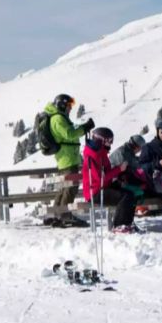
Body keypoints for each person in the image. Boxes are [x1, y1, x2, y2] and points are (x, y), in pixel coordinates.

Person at [44, 94, 95, 226]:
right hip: (68, 158)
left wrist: (84, 127)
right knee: (70, 187)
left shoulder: (58, 118)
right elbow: (69, 133)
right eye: (69, 106)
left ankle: (55, 214)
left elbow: (70, 131)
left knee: (64, 188)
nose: (70, 109)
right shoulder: (58, 118)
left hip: (66, 157)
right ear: (62, 105)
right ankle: (64, 215)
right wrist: (85, 128)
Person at [82, 127, 136, 231]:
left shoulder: (101, 152)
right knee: (125, 196)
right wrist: (119, 169)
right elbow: (99, 178)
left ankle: (128, 223)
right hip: (95, 192)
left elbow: (105, 173)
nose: (110, 144)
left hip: (103, 186)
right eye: (109, 141)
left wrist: (120, 172)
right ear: (101, 140)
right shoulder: (92, 155)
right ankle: (119, 225)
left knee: (131, 192)